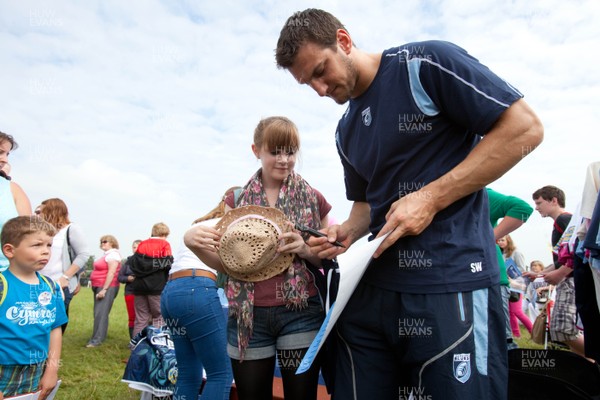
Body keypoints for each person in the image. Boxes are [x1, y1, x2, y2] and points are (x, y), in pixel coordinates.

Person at [276, 9, 543, 399]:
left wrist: (431, 198)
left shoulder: (424, 63)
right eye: (307, 84)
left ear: (344, 41)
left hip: (448, 282)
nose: (319, 89)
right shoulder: (345, 130)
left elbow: (525, 128)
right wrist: (344, 233)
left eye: (321, 70)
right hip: (371, 294)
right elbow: (366, 205)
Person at [185, 116, 331, 400]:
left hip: (300, 312)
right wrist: (193, 243)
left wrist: (303, 249)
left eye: (290, 151)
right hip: (248, 318)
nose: (284, 159)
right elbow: (228, 264)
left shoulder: (314, 198)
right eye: (275, 151)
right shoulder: (236, 201)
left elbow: (328, 257)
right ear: (257, 151)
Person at [160, 188, 238, 400]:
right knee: (221, 373)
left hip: (171, 292)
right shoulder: (233, 226)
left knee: (188, 373)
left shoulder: (199, 225)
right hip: (198, 289)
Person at [0, 216, 68, 398]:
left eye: (49, 245)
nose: (46, 252)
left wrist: (51, 371)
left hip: (37, 369)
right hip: (3, 369)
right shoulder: (2, 284)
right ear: (9, 250)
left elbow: (55, 329)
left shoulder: (51, 287)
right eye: (37, 245)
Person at [532, 185, 586, 357]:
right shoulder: (561, 223)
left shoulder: (565, 220)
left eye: (539, 202)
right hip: (569, 279)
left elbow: (578, 250)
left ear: (554, 200)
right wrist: (540, 273)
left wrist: (560, 273)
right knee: (564, 330)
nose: (536, 207)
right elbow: (561, 258)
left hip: (571, 280)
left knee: (564, 329)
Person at [486, 187, 533, 349]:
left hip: (491, 280)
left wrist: (488, 237)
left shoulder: (480, 194)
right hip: (457, 279)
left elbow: (522, 208)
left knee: (501, 339)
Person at [37, 198, 91, 331]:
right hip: (39, 283)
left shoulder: (71, 229)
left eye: (40, 211)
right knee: (38, 323)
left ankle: (52, 351)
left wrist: (66, 277)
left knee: (53, 325)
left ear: (52, 211)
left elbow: (83, 255)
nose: (37, 214)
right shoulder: (42, 231)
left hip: (59, 285)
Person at [129, 222, 173, 337]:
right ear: (165, 233)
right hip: (156, 287)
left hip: (139, 287)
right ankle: (156, 347)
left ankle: (137, 347)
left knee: (141, 318)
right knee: (159, 317)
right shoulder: (164, 244)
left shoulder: (142, 244)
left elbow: (135, 263)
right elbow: (168, 264)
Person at [0, 132, 32, 272]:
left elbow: (29, 237)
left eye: (7, 154)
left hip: (6, 279)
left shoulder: (13, 189)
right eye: (1, 152)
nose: (5, 160)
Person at [86, 235, 122, 348]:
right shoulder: (106, 255)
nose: (102, 243)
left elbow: (111, 273)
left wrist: (104, 289)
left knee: (100, 313)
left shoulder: (113, 255)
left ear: (112, 242)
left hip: (106, 287)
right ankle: (96, 336)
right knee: (98, 312)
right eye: (101, 241)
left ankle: (97, 340)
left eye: (105, 241)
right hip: (98, 285)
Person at [497, 235, 533, 338]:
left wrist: (511, 274)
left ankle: (533, 332)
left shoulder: (516, 252)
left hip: (516, 285)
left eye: (502, 240)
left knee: (517, 311)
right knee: (510, 312)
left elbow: (522, 270)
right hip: (506, 284)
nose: (500, 242)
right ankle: (516, 334)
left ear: (508, 240)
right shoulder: (501, 253)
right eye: (498, 240)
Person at [118, 239, 141, 339]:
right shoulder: (127, 262)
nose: (136, 249)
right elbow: (120, 277)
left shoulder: (148, 261)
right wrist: (128, 278)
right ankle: (133, 340)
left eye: (138, 247)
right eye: (134, 247)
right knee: (132, 317)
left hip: (143, 292)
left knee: (144, 317)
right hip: (130, 292)